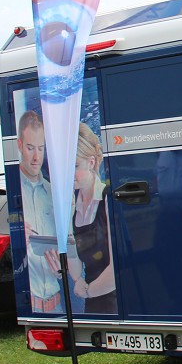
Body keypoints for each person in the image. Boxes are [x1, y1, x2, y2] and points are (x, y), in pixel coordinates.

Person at [62, 122, 117, 314]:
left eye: (75, 166)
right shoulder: (73, 206)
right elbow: (76, 270)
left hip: (113, 299)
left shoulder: (106, 199)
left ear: (92, 162)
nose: (70, 174)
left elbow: (116, 267)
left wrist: (87, 291)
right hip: (90, 298)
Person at [17, 110, 63, 314]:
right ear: (19, 145)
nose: (36, 158)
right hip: (31, 304)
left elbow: (70, 246)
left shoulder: (54, 193)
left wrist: (63, 268)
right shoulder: (13, 193)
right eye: (29, 148)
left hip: (57, 303)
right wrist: (16, 238)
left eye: (41, 149)